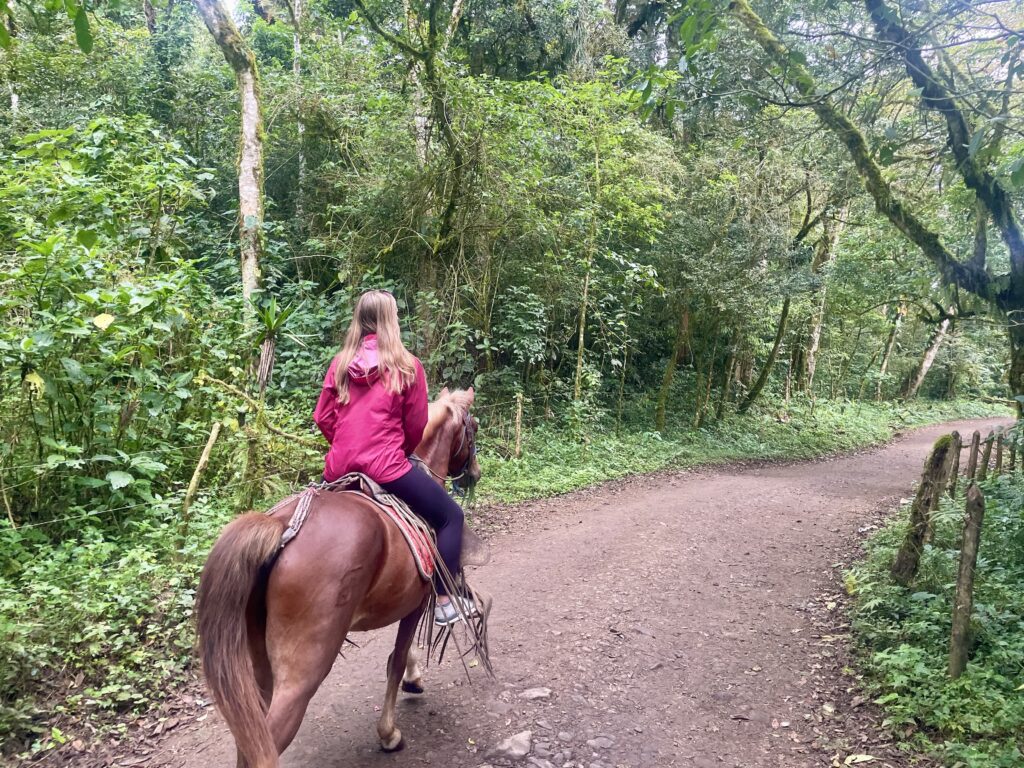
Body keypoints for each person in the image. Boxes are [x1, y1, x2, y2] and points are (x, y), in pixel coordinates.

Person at [312, 290, 475, 626]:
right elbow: (415, 425)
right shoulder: (406, 365)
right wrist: (398, 450)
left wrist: (343, 445)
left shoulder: (340, 364)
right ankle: (445, 600)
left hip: (337, 468)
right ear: (391, 320)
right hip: (386, 466)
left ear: (359, 319)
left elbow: (322, 417)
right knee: (451, 517)